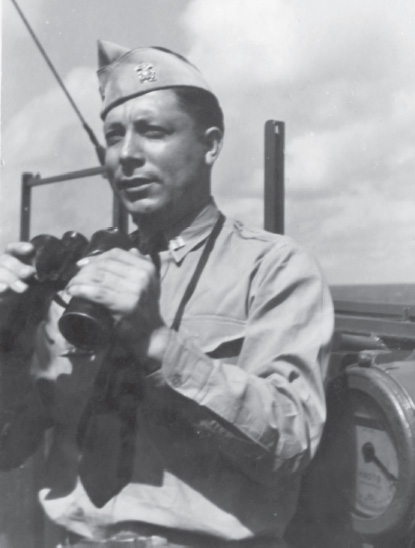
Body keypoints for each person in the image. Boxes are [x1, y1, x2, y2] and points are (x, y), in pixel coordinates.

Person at [0, 41, 334, 548]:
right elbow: (11, 445)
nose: (127, 154)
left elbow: (290, 445)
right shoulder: (81, 278)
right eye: (114, 136)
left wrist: (158, 344)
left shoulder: (275, 269)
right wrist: (7, 342)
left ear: (211, 144)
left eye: (153, 131)